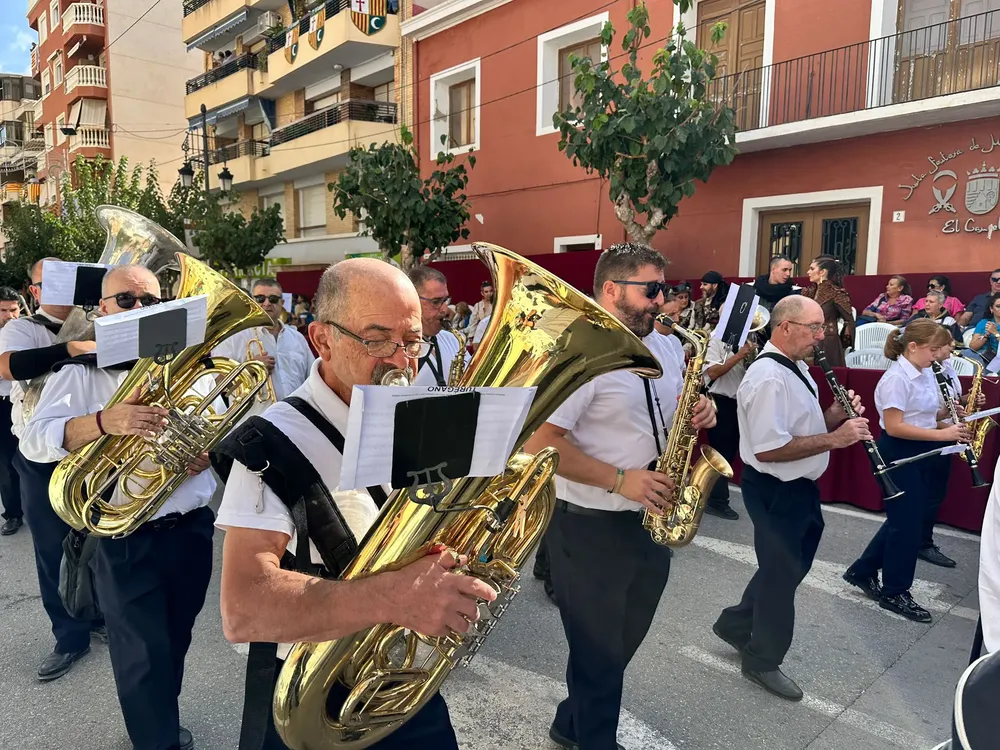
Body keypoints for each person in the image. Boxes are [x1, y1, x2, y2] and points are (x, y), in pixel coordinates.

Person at [216, 258, 495, 750]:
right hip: (321, 699)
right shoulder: (272, 440)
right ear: (321, 340)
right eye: (376, 339)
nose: (400, 360)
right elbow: (243, 609)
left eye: (410, 341)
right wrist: (395, 597)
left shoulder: (414, 416)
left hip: (405, 680)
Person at [523, 243, 716, 750]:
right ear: (612, 289)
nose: (662, 300)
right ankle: (594, 739)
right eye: (651, 290)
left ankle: (571, 721)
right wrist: (618, 479)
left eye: (664, 290)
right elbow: (538, 443)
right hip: (589, 524)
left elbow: (675, 405)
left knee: (622, 642)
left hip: (651, 516)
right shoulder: (580, 353)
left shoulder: (668, 345)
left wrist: (701, 409)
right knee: (600, 655)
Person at [21, 265, 217, 750]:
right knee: (141, 654)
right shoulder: (77, 373)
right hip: (124, 537)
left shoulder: (189, 371)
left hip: (191, 529)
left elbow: (217, 430)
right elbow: (35, 440)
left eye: (150, 301)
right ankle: (158, 740)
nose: (140, 309)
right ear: (102, 309)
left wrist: (207, 453)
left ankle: (161, 721)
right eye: (125, 300)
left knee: (176, 639)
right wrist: (105, 421)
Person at [712, 296, 871, 701]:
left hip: (798, 488)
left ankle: (735, 623)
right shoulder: (768, 377)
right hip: (775, 489)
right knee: (782, 576)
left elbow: (801, 425)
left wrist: (834, 414)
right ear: (784, 327)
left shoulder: (796, 367)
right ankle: (762, 659)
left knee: (790, 566)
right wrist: (836, 439)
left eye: (822, 329)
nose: (821, 337)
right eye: (814, 328)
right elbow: (768, 448)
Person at [0, 258, 101, 679]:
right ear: (36, 290)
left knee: (98, 538)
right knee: (52, 549)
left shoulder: (100, 319)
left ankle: (98, 615)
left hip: (94, 450)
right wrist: (70, 348)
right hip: (42, 455)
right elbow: (7, 366)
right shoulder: (22, 328)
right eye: (49, 282)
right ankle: (69, 636)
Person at [843, 320, 969, 623]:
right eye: (933, 349)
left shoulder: (923, 372)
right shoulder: (897, 378)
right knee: (907, 526)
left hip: (920, 449)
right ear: (912, 347)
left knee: (904, 519)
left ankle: (862, 571)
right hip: (899, 451)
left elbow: (922, 414)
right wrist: (944, 434)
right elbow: (897, 426)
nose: (938, 355)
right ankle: (895, 591)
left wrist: (946, 417)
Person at [214, 278, 315, 401]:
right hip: (253, 418)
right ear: (252, 301)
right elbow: (217, 385)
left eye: (273, 299)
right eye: (260, 298)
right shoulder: (233, 337)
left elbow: (312, 379)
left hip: (294, 415)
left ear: (282, 303)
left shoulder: (298, 338)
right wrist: (248, 369)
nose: (267, 303)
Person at [701, 328, 756, 521]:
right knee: (721, 451)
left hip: (736, 402)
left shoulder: (741, 340)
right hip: (719, 400)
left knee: (730, 450)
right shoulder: (715, 339)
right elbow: (713, 371)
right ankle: (716, 501)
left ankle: (713, 496)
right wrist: (741, 354)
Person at [409, 266, 468, 386]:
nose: (445, 309)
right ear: (411, 300)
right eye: (436, 302)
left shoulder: (453, 340)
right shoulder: (396, 349)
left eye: (445, 300)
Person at [802, 257, 854, 367]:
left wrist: (845, 340)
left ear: (822, 272)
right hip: (807, 339)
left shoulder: (836, 293)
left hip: (828, 342)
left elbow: (849, 320)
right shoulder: (809, 292)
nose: (808, 272)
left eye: (812, 269)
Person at [0, 287, 21, 534]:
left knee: (32, 457)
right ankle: (13, 514)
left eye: (13, 310)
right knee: (6, 463)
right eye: (3, 310)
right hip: (1, 402)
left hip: (26, 402)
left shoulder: (26, 331)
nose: (9, 315)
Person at [967, 293, 1000, 366]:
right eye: (998, 306)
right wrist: (986, 334)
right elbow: (973, 347)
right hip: (984, 358)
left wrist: (995, 333)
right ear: (991, 309)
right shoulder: (983, 323)